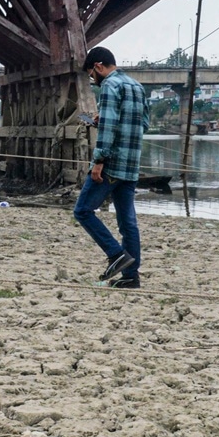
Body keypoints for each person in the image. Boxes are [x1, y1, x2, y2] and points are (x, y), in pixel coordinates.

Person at [73, 46, 146, 289]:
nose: (93, 80)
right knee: (128, 223)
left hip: (112, 164)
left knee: (83, 211)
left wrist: (99, 162)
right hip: (132, 164)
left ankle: (116, 255)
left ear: (98, 66)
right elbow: (143, 123)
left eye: (92, 75)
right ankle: (131, 277)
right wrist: (103, 119)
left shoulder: (110, 86)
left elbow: (109, 129)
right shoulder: (137, 86)